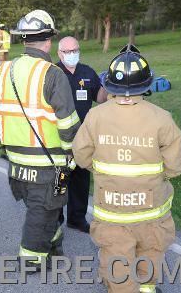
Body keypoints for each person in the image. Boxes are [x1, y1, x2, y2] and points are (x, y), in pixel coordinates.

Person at [73, 45, 181, 293]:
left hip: (113, 213)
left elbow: (81, 155)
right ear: (146, 84)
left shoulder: (95, 117)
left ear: (110, 84)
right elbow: (176, 166)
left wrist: (103, 169)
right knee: (151, 256)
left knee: (118, 267)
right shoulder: (162, 118)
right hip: (152, 211)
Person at [0, 10, 80, 269]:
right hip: (47, 162)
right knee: (41, 211)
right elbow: (68, 124)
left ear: (24, 41)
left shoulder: (4, 70)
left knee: (41, 208)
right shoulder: (53, 74)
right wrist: (73, 154)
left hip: (16, 161)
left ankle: (53, 241)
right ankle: (31, 260)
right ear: (49, 42)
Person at [56, 36, 107, 233]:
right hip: (58, 137)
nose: (72, 54)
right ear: (60, 53)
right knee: (59, 178)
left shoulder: (87, 72)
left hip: (83, 136)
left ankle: (77, 218)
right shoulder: (53, 73)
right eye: (68, 52)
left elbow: (100, 97)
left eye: (75, 50)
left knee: (81, 178)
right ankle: (56, 218)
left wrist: (109, 86)